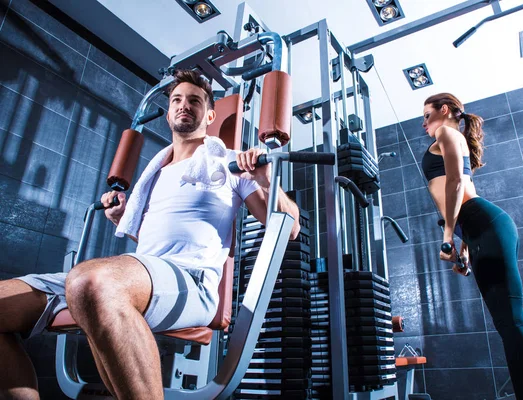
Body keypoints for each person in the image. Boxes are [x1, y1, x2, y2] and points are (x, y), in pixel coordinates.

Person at [0, 69, 300, 400]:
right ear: (169, 111)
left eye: (194, 100)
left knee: (90, 281)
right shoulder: (154, 173)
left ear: (210, 114)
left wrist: (265, 179)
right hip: (145, 269)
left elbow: (291, 228)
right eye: (176, 100)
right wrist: (119, 219)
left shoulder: (230, 163)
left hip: (191, 280)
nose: (184, 105)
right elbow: (151, 245)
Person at [421, 93, 523, 399]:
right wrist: (463, 249)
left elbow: (456, 183)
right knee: (506, 324)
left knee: (511, 323)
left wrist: (448, 236)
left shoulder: (447, 132)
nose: (424, 123)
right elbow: (460, 198)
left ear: (444, 110)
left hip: (487, 224)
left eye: (426, 115)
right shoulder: (449, 136)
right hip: (478, 230)